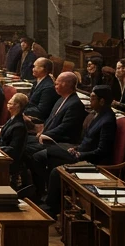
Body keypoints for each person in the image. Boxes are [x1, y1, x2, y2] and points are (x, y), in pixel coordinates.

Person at [41, 86, 118, 216]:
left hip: (91, 161)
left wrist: (81, 154)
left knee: (55, 170)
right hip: (80, 153)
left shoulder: (108, 121)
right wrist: (76, 148)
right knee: (47, 154)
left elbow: (103, 150)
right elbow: (88, 140)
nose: (90, 102)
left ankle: (51, 207)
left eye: (93, 98)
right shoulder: (96, 115)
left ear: (102, 101)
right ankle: (50, 199)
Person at [21, 70, 87, 199]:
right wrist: (40, 130)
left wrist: (44, 135)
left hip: (62, 142)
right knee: (21, 142)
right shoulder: (60, 100)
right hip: (48, 137)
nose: (55, 86)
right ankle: (30, 184)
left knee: (28, 150)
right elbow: (50, 120)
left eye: (57, 83)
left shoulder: (75, 104)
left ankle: (42, 188)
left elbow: (64, 128)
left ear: (67, 85)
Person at [0, 92, 30, 183]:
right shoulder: (12, 119)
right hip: (3, 153)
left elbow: (13, 150)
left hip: (9, 161)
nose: (7, 105)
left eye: (10, 103)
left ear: (17, 105)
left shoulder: (19, 126)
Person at [22, 58, 58, 124]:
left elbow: (42, 111)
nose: (33, 69)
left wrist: (22, 110)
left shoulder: (48, 87)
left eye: (35, 66)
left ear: (43, 69)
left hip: (38, 120)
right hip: (30, 113)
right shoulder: (37, 81)